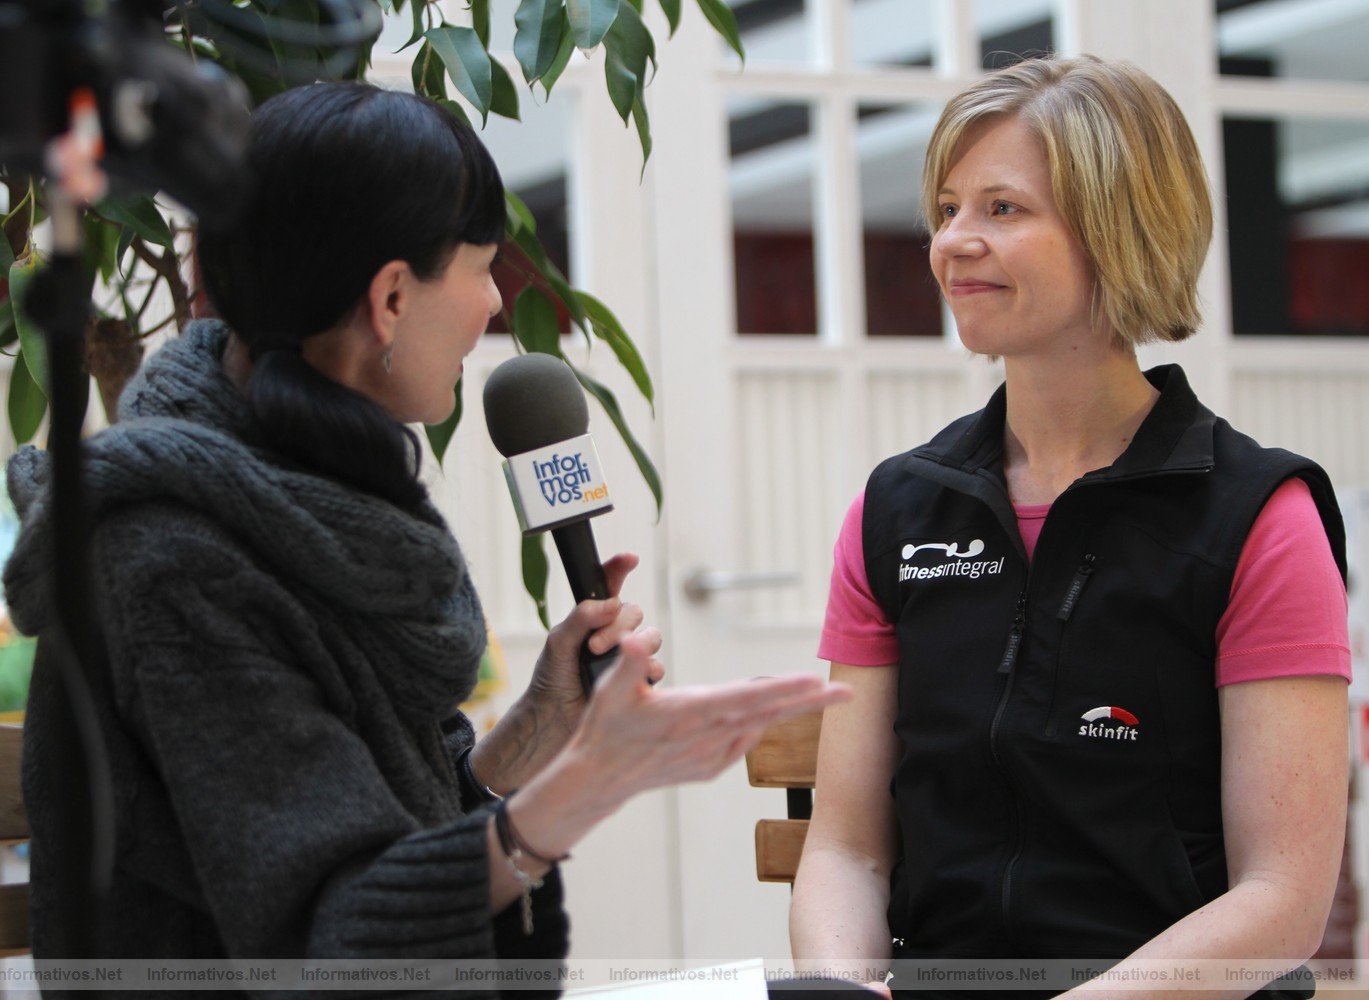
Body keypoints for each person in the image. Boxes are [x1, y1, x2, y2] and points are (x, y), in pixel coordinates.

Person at [2, 81, 848, 987]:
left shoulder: (303, 495)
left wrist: (543, 724)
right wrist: (584, 786)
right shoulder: (172, 563)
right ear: (393, 298)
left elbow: (388, 819)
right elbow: (336, 929)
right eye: (482, 266)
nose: (493, 304)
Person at [789, 55, 1349, 1000]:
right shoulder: (896, 511)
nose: (953, 241)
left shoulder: (1260, 519)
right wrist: (846, 990)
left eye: (1002, 209)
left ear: (1117, 230)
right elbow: (847, 849)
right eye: (947, 206)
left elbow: (1283, 896)